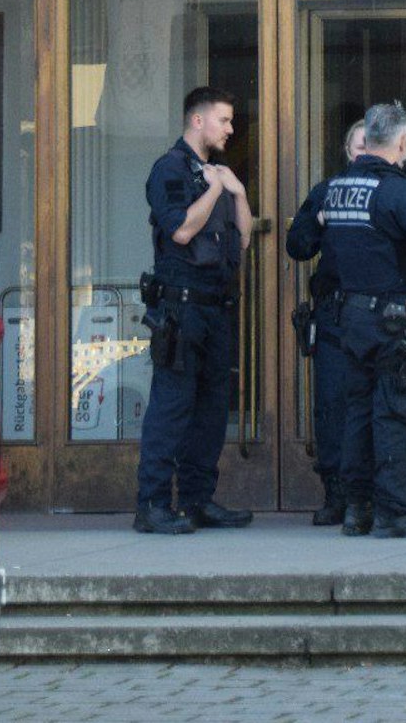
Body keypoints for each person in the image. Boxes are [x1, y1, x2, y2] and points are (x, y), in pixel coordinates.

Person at [319, 101, 406, 538]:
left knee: (358, 413)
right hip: (393, 320)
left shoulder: (338, 188)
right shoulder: (397, 190)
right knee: (394, 413)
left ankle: (357, 509)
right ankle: (394, 513)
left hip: (351, 319)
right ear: (401, 141)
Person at [134, 86, 255, 535]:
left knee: (210, 409)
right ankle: (152, 504)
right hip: (181, 307)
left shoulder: (216, 173)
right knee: (172, 406)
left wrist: (237, 194)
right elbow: (182, 230)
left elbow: (242, 239)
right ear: (197, 121)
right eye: (223, 120)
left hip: (215, 307)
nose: (230, 128)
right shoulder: (169, 169)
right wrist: (213, 190)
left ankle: (198, 500)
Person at [286, 118, 365, 526]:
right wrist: (319, 218)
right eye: (357, 148)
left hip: (376, 315)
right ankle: (335, 494)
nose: (362, 156)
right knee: (333, 406)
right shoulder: (327, 193)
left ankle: (364, 496)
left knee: (373, 406)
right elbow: (297, 246)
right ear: (347, 154)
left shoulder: (394, 192)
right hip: (334, 314)